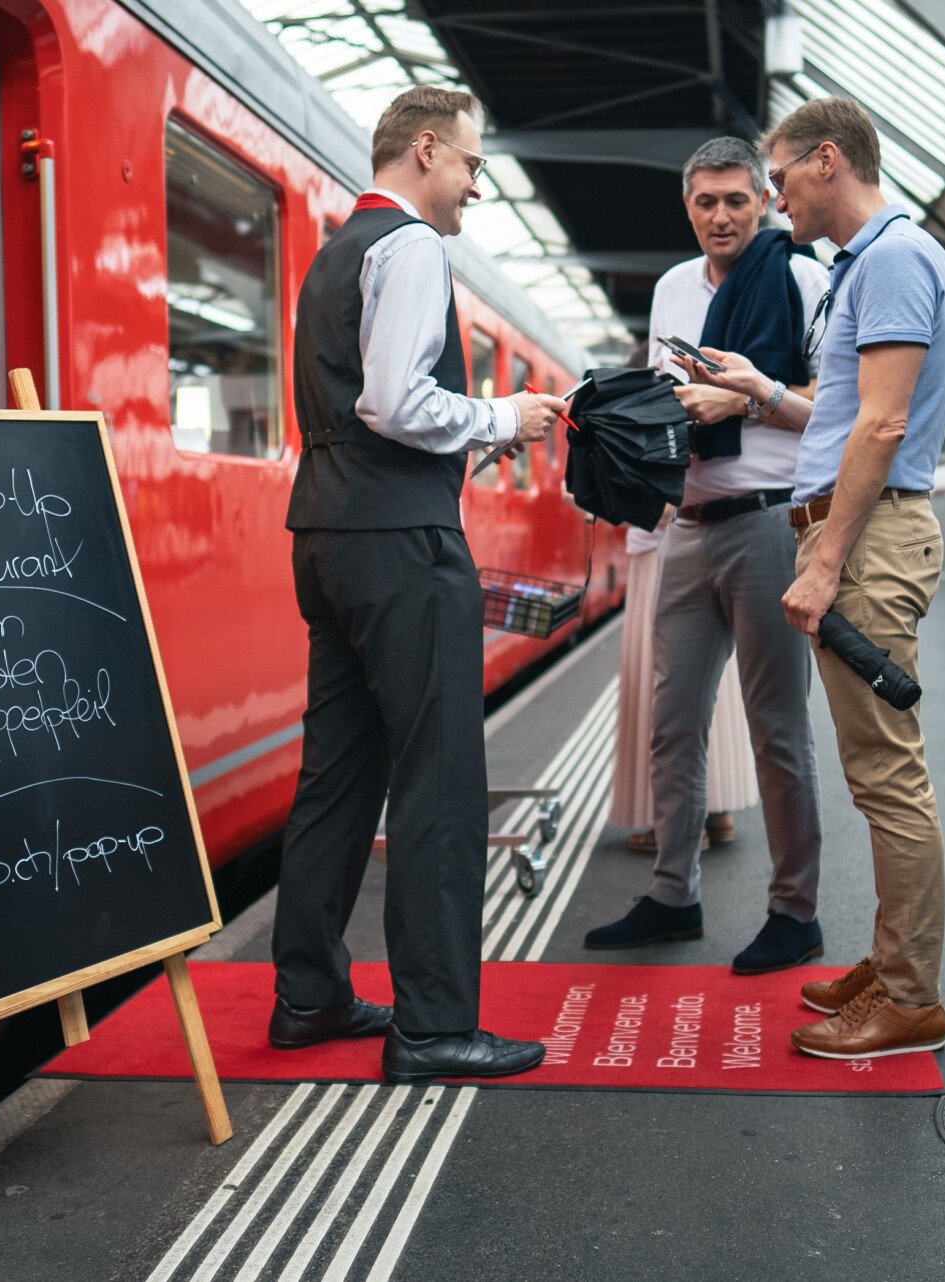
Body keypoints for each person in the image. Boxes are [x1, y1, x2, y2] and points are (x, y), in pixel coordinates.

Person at [271, 85, 567, 1083]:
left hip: (325, 533)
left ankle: (308, 994)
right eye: (473, 165)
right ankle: (434, 1024)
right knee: (438, 779)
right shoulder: (410, 248)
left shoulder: (332, 253)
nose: (478, 186)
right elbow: (397, 400)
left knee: (338, 774)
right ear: (428, 149)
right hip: (402, 540)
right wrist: (503, 418)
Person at [682, 97, 945, 1058]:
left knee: (887, 775)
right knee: (871, 768)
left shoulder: (888, 260)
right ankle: (890, 965)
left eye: (782, 176)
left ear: (828, 161)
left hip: (868, 540)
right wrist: (762, 391)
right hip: (859, 533)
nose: (773, 195)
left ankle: (911, 997)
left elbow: (881, 429)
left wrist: (826, 558)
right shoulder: (874, 264)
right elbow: (843, 415)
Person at [586, 137, 828, 975]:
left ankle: (795, 912)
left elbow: (834, 413)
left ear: (763, 199)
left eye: (735, 200)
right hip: (688, 522)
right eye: (705, 202)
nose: (720, 216)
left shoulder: (801, 278)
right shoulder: (670, 291)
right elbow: (659, 408)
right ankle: (672, 895)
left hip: (768, 523)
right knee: (672, 722)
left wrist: (748, 397)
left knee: (777, 728)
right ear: (688, 208)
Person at [607, 517, 758, 856]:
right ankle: (716, 810)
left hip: (663, 556)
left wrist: (605, 498)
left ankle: (674, 825)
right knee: (712, 682)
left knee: (661, 683)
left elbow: (662, 505)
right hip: (707, 545)